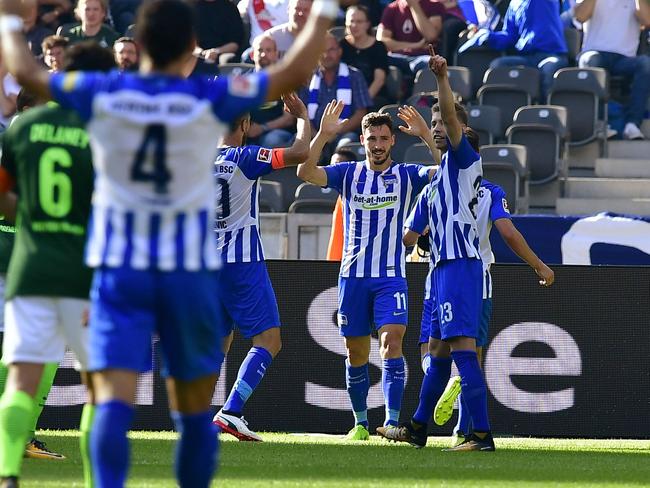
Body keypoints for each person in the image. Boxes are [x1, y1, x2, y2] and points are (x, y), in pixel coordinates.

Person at [0, 0, 338, 485]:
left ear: (137, 45)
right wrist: (324, 10)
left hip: (121, 269)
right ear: (188, 49)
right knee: (194, 410)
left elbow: (27, 74)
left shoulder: (106, 89)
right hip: (185, 272)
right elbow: (291, 73)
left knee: (111, 400)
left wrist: (10, 18)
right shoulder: (206, 97)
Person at [0, 42, 117, 488]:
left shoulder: (23, 126)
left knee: (22, 377)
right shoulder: (103, 133)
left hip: (30, 267)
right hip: (81, 271)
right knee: (98, 388)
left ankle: (8, 473)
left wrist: (32, 220)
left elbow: (2, 192)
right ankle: (97, 482)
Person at [377, 46, 494, 451]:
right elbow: (412, 234)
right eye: (435, 123)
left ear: (459, 128)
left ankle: (480, 433)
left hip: (462, 264)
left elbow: (448, 124)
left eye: (445, 122)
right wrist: (428, 134)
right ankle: (419, 427)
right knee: (440, 351)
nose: (439, 126)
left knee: (462, 350)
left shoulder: (465, 160)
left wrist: (442, 80)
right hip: (441, 268)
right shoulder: (442, 172)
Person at [297, 102, 434, 441]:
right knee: (356, 352)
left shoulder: (405, 174)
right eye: (372, 138)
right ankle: (359, 422)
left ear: (393, 143)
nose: (377, 145)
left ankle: (391, 421)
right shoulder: (348, 174)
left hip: (390, 277)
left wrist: (427, 136)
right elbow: (305, 173)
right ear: (363, 139)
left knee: (392, 341)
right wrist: (323, 135)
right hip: (353, 277)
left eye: (384, 139)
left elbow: (448, 172)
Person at [212, 92, 310, 441]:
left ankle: (197, 417)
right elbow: (300, 153)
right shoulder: (246, 157)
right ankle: (232, 411)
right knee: (269, 339)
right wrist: (302, 116)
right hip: (242, 261)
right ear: (246, 124)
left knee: (219, 343)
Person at [433, 178, 555, 446]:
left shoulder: (438, 184)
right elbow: (508, 234)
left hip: (441, 278)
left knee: (435, 349)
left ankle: (420, 421)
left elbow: (415, 233)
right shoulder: (491, 191)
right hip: (478, 280)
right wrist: (538, 265)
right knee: (472, 358)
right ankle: (463, 431)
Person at [461, 0, 568, 98]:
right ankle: (506, 109)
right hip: (527, 58)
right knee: (498, 65)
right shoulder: (514, 3)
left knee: (549, 68)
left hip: (551, 55)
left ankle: (546, 111)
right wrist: (488, 37)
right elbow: (510, 36)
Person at [575, 0, 650, 140]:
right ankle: (602, 123)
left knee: (645, 64)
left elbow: (647, 20)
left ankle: (632, 124)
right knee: (591, 60)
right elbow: (580, 16)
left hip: (625, 58)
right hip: (595, 52)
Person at [300, 31, 373, 151]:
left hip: (344, 133)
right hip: (313, 134)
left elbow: (361, 113)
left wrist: (333, 133)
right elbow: (302, 114)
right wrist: (316, 134)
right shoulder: (308, 78)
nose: (326, 55)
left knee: (346, 145)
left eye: (331, 50)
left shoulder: (354, 75)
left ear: (340, 51)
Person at [248, 35, 297, 148]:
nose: (264, 54)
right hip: (248, 132)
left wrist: (262, 128)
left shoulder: (285, 81)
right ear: (252, 55)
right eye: (260, 50)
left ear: (277, 54)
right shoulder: (243, 81)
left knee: (271, 141)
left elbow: (289, 119)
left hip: (277, 132)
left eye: (269, 50)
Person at [377, 0, 446, 75]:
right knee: (376, 60)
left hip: (422, 57)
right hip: (397, 57)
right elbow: (381, 42)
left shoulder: (434, 5)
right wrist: (417, 45)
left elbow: (431, 36)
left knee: (430, 65)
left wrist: (414, 5)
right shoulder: (391, 8)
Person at [340, 5, 390, 108]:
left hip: (372, 97)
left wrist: (362, 102)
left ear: (367, 24)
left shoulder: (378, 47)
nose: (354, 25)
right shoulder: (340, 46)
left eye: (359, 21)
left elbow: (379, 80)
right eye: (351, 21)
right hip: (344, 96)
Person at [325, 147, 357, 262]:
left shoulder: (357, 197)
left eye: (338, 166)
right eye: (331, 165)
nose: (333, 170)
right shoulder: (341, 198)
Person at [194, 0, 244, 65]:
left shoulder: (230, 8)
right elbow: (189, 43)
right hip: (199, 54)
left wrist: (216, 51)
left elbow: (235, 44)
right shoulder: (192, 10)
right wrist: (202, 53)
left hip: (222, 53)